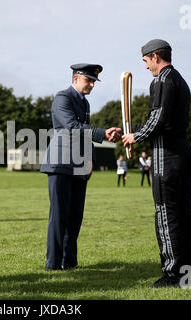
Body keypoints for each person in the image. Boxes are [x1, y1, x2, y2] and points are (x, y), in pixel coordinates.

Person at [122, 39, 191, 288]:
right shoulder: (180, 79)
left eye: (145, 61)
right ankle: (187, 274)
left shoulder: (162, 80)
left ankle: (173, 275)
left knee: (167, 215)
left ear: (155, 57)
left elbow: (157, 120)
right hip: (182, 154)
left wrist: (134, 135)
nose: (145, 67)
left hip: (167, 158)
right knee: (184, 214)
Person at [41, 63, 121, 271]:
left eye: (94, 81)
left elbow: (84, 137)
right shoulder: (63, 97)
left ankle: (69, 261)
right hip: (60, 163)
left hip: (79, 164)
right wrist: (103, 133)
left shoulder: (84, 103)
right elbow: (72, 128)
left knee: (75, 215)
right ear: (75, 78)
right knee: (59, 215)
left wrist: (90, 160)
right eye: (89, 80)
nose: (92, 85)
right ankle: (53, 264)